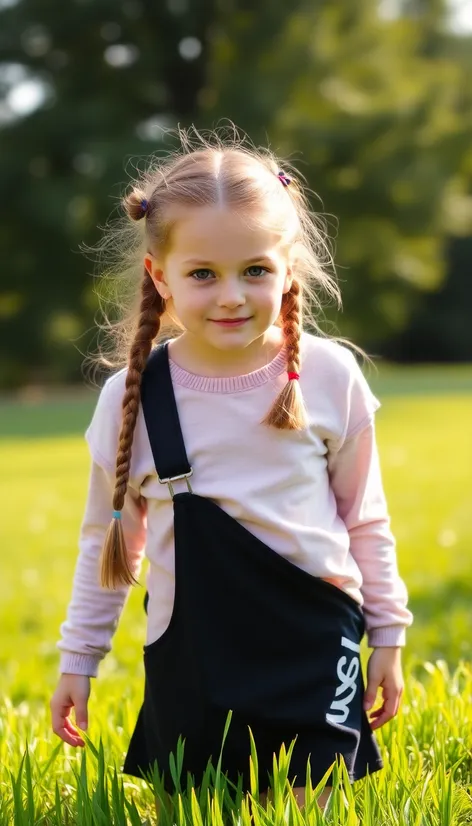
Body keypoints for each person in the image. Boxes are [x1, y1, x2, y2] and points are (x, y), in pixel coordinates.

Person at [50, 127, 413, 815]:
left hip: (315, 640)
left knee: (311, 804)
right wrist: (79, 660)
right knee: (198, 805)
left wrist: (388, 635)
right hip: (193, 652)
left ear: (287, 270)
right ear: (161, 275)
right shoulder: (134, 400)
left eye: (254, 270)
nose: (231, 296)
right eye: (202, 274)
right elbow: (109, 541)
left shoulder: (329, 377)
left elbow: (364, 514)